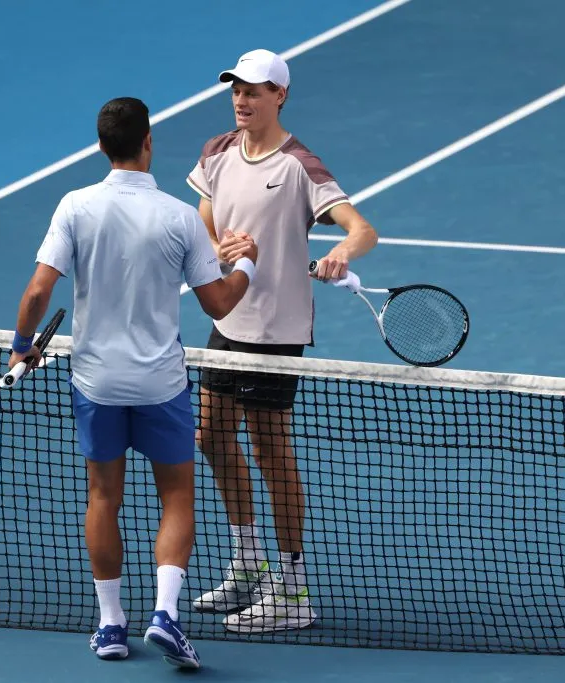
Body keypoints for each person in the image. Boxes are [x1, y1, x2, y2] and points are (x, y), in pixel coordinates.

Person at [9, 97, 258, 668]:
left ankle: (111, 625)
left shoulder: (74, 206)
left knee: (103, 497)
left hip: (96, 384)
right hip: (160, 386)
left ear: (102, 146)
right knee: (176, 496)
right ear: (149, 143)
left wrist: (24, 346)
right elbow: (220, 303)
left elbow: (37, 295)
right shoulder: (178, 216)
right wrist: (250, 265)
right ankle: (165, 614)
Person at [185, 49, 378, 634]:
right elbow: (204, 217)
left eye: (255, 91)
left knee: (272, 453)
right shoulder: (218, 150)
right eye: (236, 89)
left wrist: (342, 252)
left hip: (277, 331)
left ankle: (293, 593)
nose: (242, 99)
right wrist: (216, 248)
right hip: (229, 321)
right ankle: (248, 564)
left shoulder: (300, 164)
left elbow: (361, 227)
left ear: (281, 96)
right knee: (212, 437)